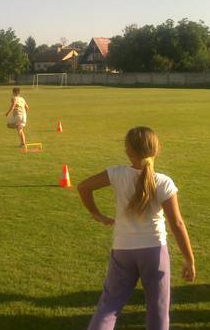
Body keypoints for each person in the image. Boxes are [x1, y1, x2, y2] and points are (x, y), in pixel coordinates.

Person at [77, 126, 195, 330]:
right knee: (158, 310)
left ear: (127, 151)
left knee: (109, 306)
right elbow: (177, 224)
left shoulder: (116, 173)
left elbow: (83, 187)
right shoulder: (164, 182)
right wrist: (189, 260)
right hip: (154, 252)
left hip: (122, 250)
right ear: (157, 149)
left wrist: (97, 215)